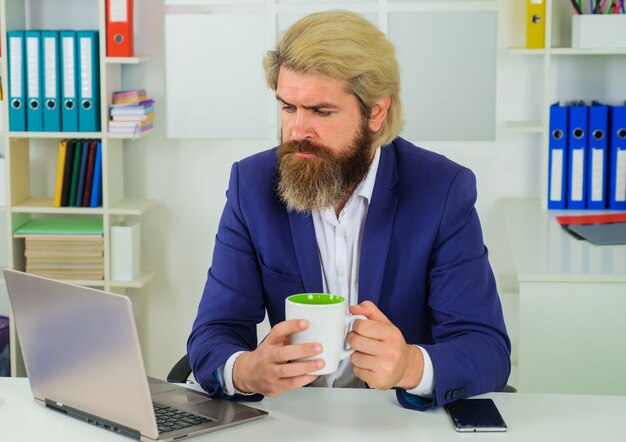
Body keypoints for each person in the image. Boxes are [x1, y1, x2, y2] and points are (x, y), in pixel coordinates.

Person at [188, 9, 510, 411]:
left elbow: (486, 348)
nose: (298, 130)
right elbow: (212, 333)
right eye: (288, 107)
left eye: (321, 111)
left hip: (400, 421)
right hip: (293, 422)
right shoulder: (251, 185)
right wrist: (245, 369)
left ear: (376, 111)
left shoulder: (442, 190)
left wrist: (411, 366)